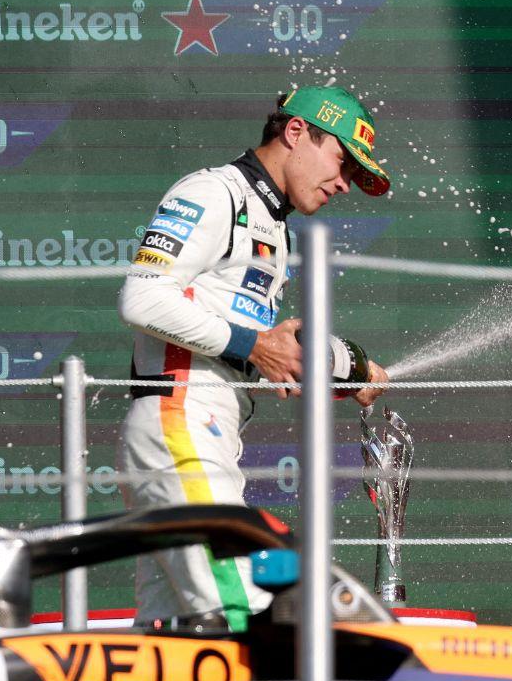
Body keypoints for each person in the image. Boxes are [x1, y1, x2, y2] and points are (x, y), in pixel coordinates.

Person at [118, 85, 390, 631]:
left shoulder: (275, 227)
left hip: (206, 427)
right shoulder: (214, 192)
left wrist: (343, 367)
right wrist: (256, 346)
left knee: (175, 638)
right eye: (342, 162)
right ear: (295, 132)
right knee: (246, 612)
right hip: (180, 418)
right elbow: (142, 298)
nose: (343, 184)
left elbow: (259, 343)